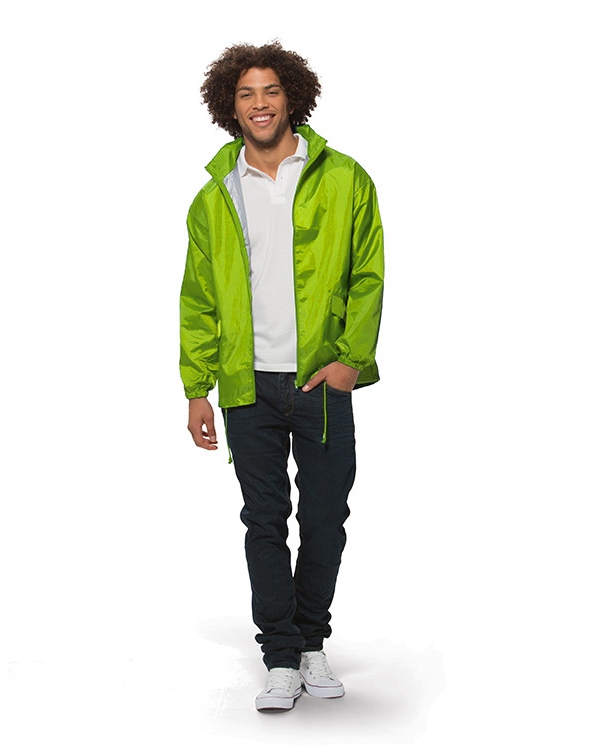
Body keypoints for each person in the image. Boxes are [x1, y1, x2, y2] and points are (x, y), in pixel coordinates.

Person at [179, 41, 384, 712]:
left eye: (270, 90)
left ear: (292, 96)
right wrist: (196, 387)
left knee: (325, 516)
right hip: (247, 386)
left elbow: (367, 274)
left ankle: (312, 640)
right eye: (246, 93)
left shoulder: (345, 178)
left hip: (320, 381)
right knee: (263, 521)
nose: (260, 103)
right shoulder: (216, 195)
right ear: (229, 106)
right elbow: (198, 297)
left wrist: (350, 360)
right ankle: (281, 656)